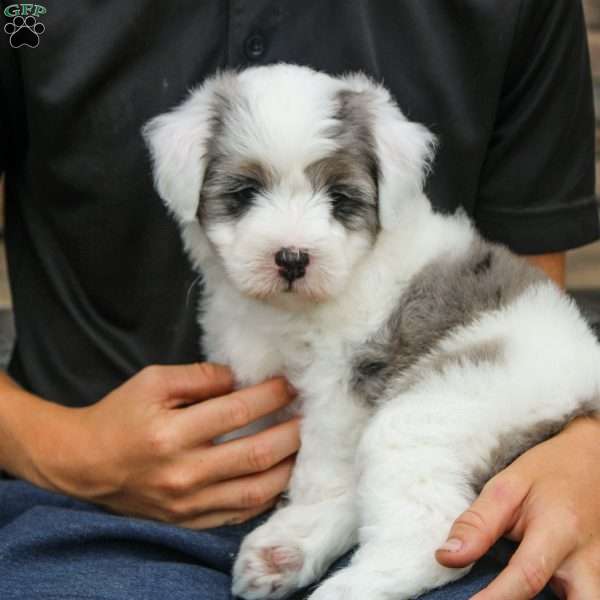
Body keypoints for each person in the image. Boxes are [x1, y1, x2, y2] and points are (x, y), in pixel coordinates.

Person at [0, 1, 598, 598]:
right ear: (188, 177)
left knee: (404, 436)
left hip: (486, 470)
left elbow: (350, 396)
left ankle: (391, 565)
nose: (292, 244)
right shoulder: (24, 18)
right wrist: (66, 451)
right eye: (245, 193)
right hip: (76, 501)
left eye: (339, 202)